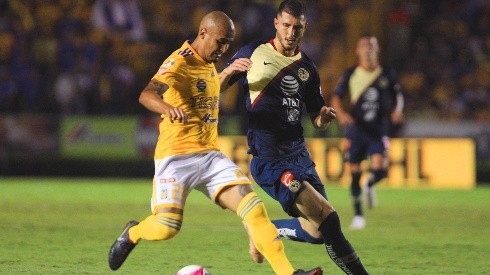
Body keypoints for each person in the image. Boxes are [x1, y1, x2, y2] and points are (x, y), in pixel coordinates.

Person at [107, 11, 322, 275]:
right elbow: (147, 94)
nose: (224, 49)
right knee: (166, 227)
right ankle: (133, 232)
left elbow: (207, 88)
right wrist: (166, 107)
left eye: (228, 43)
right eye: (220, 42)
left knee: (255, 210)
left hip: (210, 157)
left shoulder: (209, 61)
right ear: (203, 34)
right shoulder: (178, 62)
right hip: (176, 157)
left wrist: (229, 71)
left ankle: (290, 273)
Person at [220, 1, 369, 274]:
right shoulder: (253, 52)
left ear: (304, 29)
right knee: (329, 219)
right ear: (276, 24)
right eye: (286, 26)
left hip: (299, 156)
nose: (291, 33)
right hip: (270, 161)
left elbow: (316, 117)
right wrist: (229, 71)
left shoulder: (307, 68)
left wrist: (322, 117)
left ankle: (262, 229)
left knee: (316, 232)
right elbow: (215, 88)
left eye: (297, 28)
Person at [331, 35, 404, 230]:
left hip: (379, 130)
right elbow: (336, 98)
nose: (368, 50)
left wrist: (397, 111)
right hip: (356, 130)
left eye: (371, 46)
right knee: (354, 173)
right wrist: (342, 114)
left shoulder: (386, 74)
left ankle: (370, 184)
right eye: (364, 46)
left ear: (377, 49)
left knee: (380, 169)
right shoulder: (351, 74)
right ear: (358, 50)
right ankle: (358, 216)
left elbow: (398, 96)